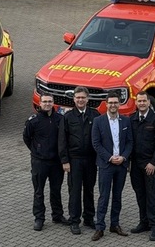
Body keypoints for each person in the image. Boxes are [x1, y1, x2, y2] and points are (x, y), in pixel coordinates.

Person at [57, 86, 101, 235]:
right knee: (74, 191)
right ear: (74, 99)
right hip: (74, 160)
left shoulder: (95, 115)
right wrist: (65, 161)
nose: (80, 100)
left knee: (89, 189)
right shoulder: (67, 117)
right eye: (78, 98)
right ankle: (74, 220)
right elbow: (62, 140)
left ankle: (88, 218)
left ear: (87, 99)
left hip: (90, 160)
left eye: (83, 97)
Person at [90, 92, 132, 241]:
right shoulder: (98, 121)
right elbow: (96, 143)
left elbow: (129, 142)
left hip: (121, 165)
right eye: (110, 103)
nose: (113, 105)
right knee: (104, 196)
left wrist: (123, 157)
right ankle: (99, 227)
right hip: (105, 165)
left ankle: (115, 224)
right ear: (106, 104)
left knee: (117, 196)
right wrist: (109, 157)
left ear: (119, 104)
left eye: (115, 103)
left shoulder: (126, 121)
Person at [23, 93, 69, 231]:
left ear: (53, 102)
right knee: (38, 191)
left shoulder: (60, 119)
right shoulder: (33, 120)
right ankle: (39, 218)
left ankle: (57, 215)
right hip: (39, 162)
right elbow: (26, 138)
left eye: (50, 101)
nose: (47, 104)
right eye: (45, 101)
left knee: (56, 190)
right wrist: (37, 150)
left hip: (56, 162)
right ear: (40, 103)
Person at [129, 91, 155, 241]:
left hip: (150, 164)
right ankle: (143, 222)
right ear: (136, 103)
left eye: (144, 101)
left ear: (149, 102)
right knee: (140, 194)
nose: (142, 103)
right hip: (135, 164)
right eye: (139, 101)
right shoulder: (132, 119)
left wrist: (153, 163)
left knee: (151, 195)